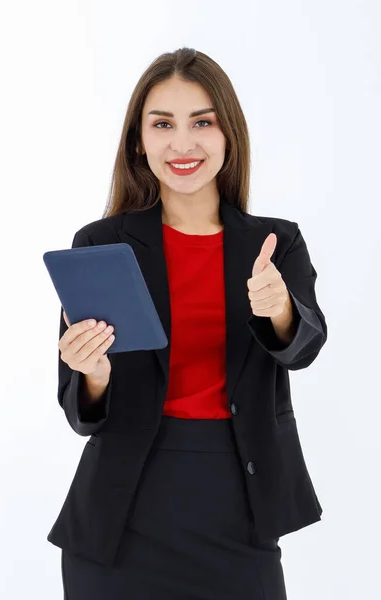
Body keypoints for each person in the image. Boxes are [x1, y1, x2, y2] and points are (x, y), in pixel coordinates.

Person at [48, 47, 328, 600]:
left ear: (229, 134)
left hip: (239, 503)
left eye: (202, 122)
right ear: (138, 140)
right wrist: (92, 372)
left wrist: (279, 309)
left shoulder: (274, 243)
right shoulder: (101, 244)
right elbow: (80, 410)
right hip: (119, 518)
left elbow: (304, 347)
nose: (182, 143)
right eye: (162, 125)